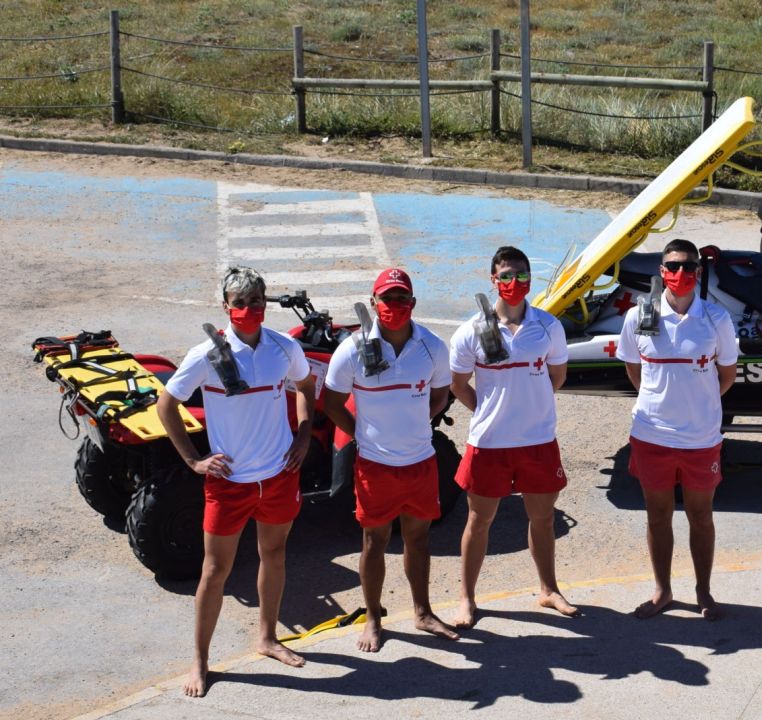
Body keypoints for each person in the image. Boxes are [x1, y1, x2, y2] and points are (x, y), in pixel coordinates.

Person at [155, 266, 315, 697]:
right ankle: (200, 661)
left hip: (279, 476)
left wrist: (303, 435)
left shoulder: (284, 347)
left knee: (274, 554)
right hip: (229, 483)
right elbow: (166, 406)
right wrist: (194, 460)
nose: (248, 309)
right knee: (214, 570)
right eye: (239, 303)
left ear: (265, 303)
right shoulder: (206, 354)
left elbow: (305, 385)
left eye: (255, 301)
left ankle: (268, 638)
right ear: (226, 307)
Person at [322, 268, 459, 652]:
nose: (394, 305)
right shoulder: (352, 349)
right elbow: (331, 403)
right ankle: (372, 618)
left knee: (418, 538)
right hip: (375, 467)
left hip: (420, 463)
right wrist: (363, 434)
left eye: (401, 298)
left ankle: (423, 612)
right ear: (373, 302)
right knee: (374, 541)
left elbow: (440, 396)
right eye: (387, 298)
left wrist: (417, 425)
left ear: (412, 303)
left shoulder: (432, 347)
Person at [449, 246, 578, 628]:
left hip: (538, 441)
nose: (514, 282)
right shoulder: (471, 331)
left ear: (530, 279)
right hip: (489, 443)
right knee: (479, 520)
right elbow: (458, 385)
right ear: (493, 280)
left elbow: (557, 377)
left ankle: (549, 589)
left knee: (543, 518)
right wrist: (488, 410)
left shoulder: (548, 327)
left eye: (521, 275)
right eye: (506, 276)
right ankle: (467, 599)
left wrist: (529, 404)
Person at [616, 238, 739, 621]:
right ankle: (663, 590)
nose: (680, 273)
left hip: (701, 439)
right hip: (651, 436)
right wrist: (659, 398)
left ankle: (704, 592)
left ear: (698, 272)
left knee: (701, 516)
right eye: (672, 266)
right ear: (661, 272)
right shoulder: (638, 317)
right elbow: (633, 368)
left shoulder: (716, 319)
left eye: (687, 267)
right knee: (658, 516)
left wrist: (698, 403)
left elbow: (727, 375)